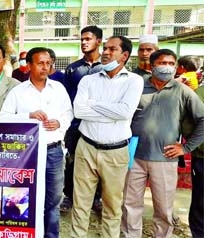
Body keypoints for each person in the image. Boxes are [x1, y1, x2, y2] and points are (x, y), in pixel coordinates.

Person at [121, 49, 204, 238]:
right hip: (134, 154)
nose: (167, 67)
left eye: (170, 64)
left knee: (164, 208)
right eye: (162, 63)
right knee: (130, 204)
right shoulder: (137, 87)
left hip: (165, 158)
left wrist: (186, 147)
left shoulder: (182, 91)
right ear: (151, 66)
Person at [71, 36, 144, 238]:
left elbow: (124, 112)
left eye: (112, 49)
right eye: (105, 48)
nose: (105, 52)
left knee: (112, 205)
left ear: (125, 55)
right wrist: (110, 112)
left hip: (116, 151)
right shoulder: (88, 80)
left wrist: (93, 104)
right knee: (81, 202)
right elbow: (79, 111)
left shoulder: (134, 81)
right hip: (86, 148)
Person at [0, 47, 73, 238]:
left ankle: (50, 235)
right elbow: (4, 118)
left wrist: (59, 123)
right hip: (26, 155)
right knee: (23, 197)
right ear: (29, 65)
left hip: (53, 152)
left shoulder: (59, 89)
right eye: (40, 63)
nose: (45, 67)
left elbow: (68, 113)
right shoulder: (18, 92)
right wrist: (28, 116)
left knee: (53, 200)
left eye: (48, 63)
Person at [61, 25, 104, 213]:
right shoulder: (73, 69)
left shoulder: (107, 67)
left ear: (99, 41)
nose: (84, 42)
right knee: (72, 161)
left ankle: (96, 198)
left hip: (99, 125)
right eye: (82, 39)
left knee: (99, 163)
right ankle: (69, 196)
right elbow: (66, 99)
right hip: (76, 125)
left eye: (88, 39)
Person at [187, 85, 204, 237]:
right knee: (201, 202)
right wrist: (191, 146)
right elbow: (188, 124)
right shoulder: (199, 94)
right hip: (202, 157)